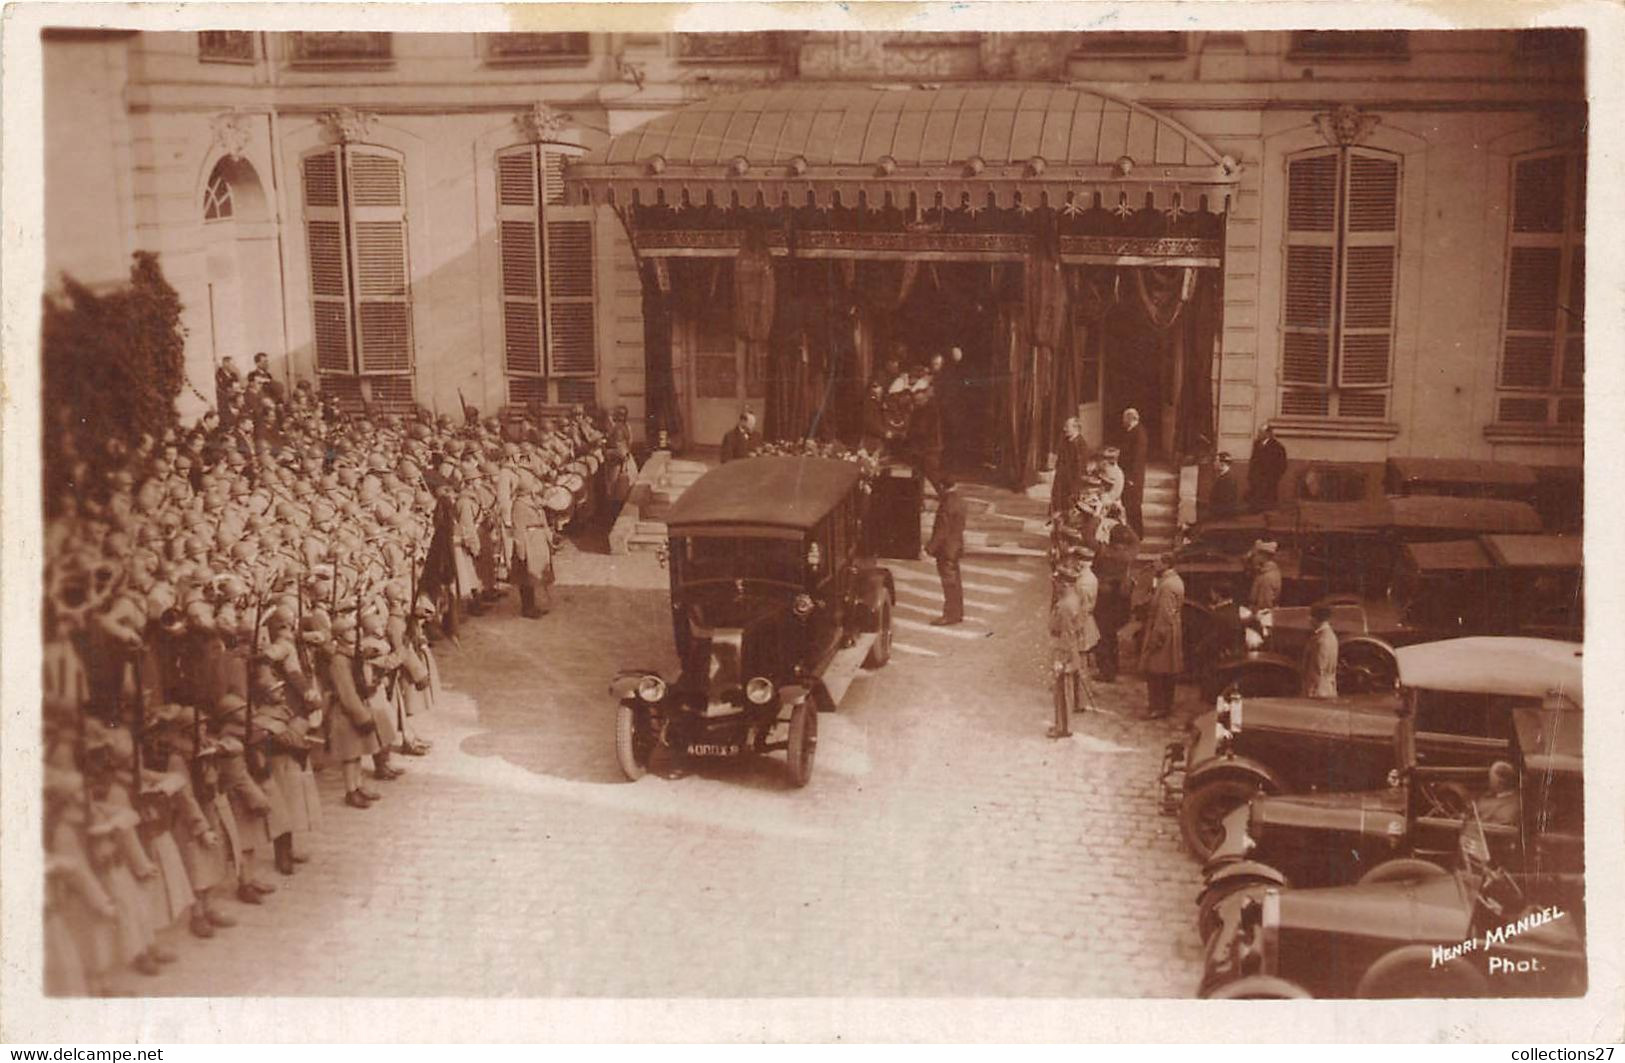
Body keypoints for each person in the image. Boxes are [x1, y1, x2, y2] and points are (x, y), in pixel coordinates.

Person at [1091, 521, 1138, 682]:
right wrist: (1124, 525)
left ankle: (1106, 671)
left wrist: (1098, 521)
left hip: (1103, 600)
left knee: (1102, 636)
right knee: (1111, 636)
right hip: (1119, 601)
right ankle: (1114, 667)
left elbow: (1089, 541)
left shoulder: (1104, 553)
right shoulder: (1128, 555)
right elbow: (1135, 540)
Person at [1140, 552, 1185, 719]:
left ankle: (1158, 707)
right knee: (1166, 672)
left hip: (1164, 633)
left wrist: (1156, 639)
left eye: (1157, 562)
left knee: (1156, 671)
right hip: (1170, 631)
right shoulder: (1172, 581)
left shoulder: (1167, 586)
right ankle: (1165, 705)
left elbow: (1164, 615)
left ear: (1166, 564)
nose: (1154, 565)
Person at [925, 473, 967, 626]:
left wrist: (930, 548)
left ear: (942, 487)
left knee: (949, 583)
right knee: (956, 582)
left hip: (946, 549)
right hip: (956, 546)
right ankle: (958, 612)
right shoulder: (960, 501)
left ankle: (950, 615)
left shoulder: (947, 503)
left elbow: (942, 530)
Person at [905, 386, 945, 494]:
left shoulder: (929, 411)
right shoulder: (918, 411)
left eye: (919, 400)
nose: (916, 402)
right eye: (915, 400)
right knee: (918, 473)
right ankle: (918, 497)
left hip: (930, 447)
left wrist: (909, 434)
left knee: (932, 473)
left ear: (925, 400)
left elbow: (921, 430)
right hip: (921, 447)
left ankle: (944, 495)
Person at [1050, 417, 1091, 516]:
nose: (1064, 429)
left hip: (1072, 482)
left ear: (1075, 428)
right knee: (1058, 502)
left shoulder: (1081, 445)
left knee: (1070, 508)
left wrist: (1075, 486)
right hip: (1061, 479)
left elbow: (1081, 469)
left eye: (1067, 427)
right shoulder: (1065, 441)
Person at [1118, 408, 1149, 537]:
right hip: (1128, 476)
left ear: (1130, 419)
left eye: (1124, 419)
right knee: (1129, 506)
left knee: (1134, 507)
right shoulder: (1131, 432)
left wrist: (1131, 478)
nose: (1123, 421)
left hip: (1133, 478)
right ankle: (1133, 534)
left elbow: (1138, 458)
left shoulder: (1139, 434)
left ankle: (1137, 535)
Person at [1301, 602, 1339, 698]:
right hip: (1327, 689)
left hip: (1318, 693)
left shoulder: (1321, 640)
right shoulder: (1331, 636)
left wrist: (1310, 692)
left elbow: (1318, 669)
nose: (1308, 619)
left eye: (1311, 616)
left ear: (1316, 619)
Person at [1247, 424, 1288, 511]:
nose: (1258, 434)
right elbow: (1253, 460)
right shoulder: (1257, 444)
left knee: (1269, 502)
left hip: (1269, 479)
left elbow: (1282, 465)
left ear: (1268, 433)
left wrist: (1275, 477)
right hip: (1256, 478)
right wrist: (1251, 475)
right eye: (1259, 432)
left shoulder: (1277, 447)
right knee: (1256, 500)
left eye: (1261, 432)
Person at [1473, 761, 1521, 828]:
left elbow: (1496, 828)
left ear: (1500, 782)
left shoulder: (1512, 805)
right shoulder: (1489, 795)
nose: (1488, 782)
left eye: (1490, 779)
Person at [1248, 540, 1283, 614]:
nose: (1253, 558)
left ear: (1263, 556)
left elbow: (1264, 604)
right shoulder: (1270, 571)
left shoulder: (1266, 576)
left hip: (1263, 615)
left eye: (1255, 555)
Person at [1209, 451, 1240, 520]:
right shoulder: (1224, 476)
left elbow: (1225, 502)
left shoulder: (1229, 479)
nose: (1214, 463)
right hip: (1219, 512)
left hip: (1222, 515)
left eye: (1216, 461)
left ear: (1222, 463)